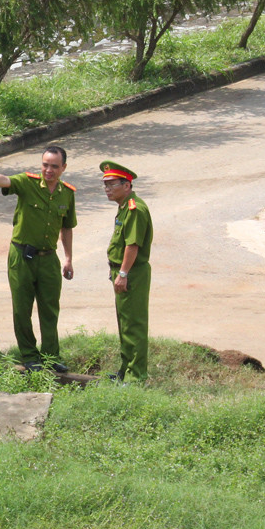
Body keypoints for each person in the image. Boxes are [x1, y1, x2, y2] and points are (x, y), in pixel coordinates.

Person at [0, 146, 76, 372]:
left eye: (54, 166)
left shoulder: (67, 193)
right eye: (45, 164)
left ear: (63, 168)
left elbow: (67, 228)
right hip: (22, 257)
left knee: (49, 308)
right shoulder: (27, 183)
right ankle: (29, 355)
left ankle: (50, 356)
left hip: (49, 259)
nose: (48, 170)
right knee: (22, 308)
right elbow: (5, 180)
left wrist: (68, 258)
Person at [101, 160, 153, 382]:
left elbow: (133, 245)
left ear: (127, 186)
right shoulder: (124, 207)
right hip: (123, 273)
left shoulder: (135, 209)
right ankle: (126, 369)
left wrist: (122, 274)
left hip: (131, 274)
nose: (107, 189)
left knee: (134, 324)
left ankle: (136, 376)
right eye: (105, 185)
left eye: (112, 184)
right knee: (125, 324)